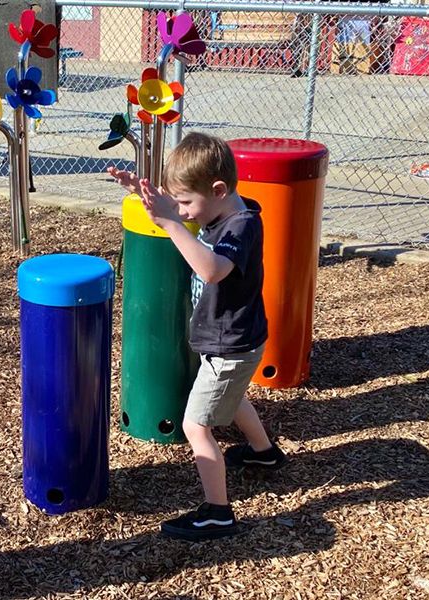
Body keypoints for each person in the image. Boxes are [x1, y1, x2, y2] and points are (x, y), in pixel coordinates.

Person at [108, 132, 286, 541]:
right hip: (233, 342)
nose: (184, 211)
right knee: (235, 397)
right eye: (179, 203)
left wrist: (172, 223)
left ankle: (217, 512)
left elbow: (212, 270)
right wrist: (155, 198)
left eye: (187, 203)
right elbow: (187, 209)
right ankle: (264, 454)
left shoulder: (238, 227)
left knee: (196, 426)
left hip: (231, 345)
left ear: (219, 190)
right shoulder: (221, 209)